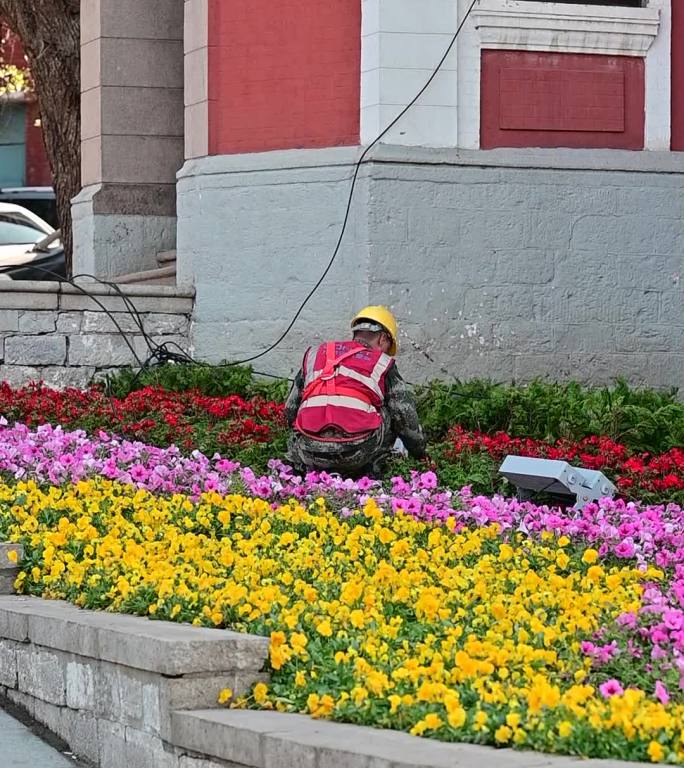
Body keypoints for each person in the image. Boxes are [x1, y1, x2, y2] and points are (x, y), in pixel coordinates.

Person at [285, 306, 426, 477]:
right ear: (382, 338)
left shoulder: (317, 354)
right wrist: (420, 454)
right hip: (356, 453)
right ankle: (373, 468)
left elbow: (290, 409)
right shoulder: (382, 363)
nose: (387, 353)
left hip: (308, 450)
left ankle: (303, 470)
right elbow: (405, 417)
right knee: (390, 411)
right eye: (389, 346)